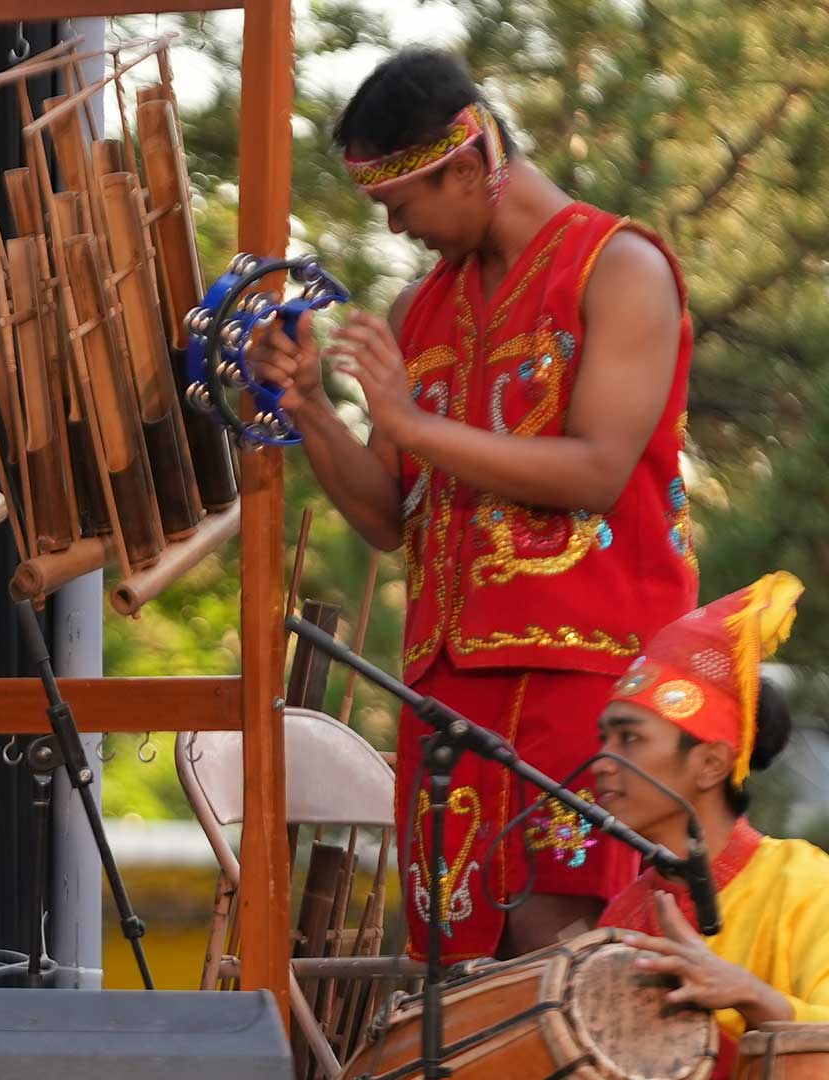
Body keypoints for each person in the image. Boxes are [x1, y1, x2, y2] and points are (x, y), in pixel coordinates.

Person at [251, 47, 698, 961]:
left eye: (400, 204)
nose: (398, 230)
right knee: (455, 976)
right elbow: (387, 516)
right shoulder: (423, 308)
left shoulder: (619, 268)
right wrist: (309, 411)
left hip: (588, 675)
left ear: (465, 167)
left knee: (562, 964)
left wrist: (410, 423)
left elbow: (597, 470)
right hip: (449, 694)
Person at [590, 571, 826, 1074]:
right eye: (603, 739)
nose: (602, 762)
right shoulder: (624, 917)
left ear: (712, 764)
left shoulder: (803, 882)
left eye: (629, 739)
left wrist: (749, 995)